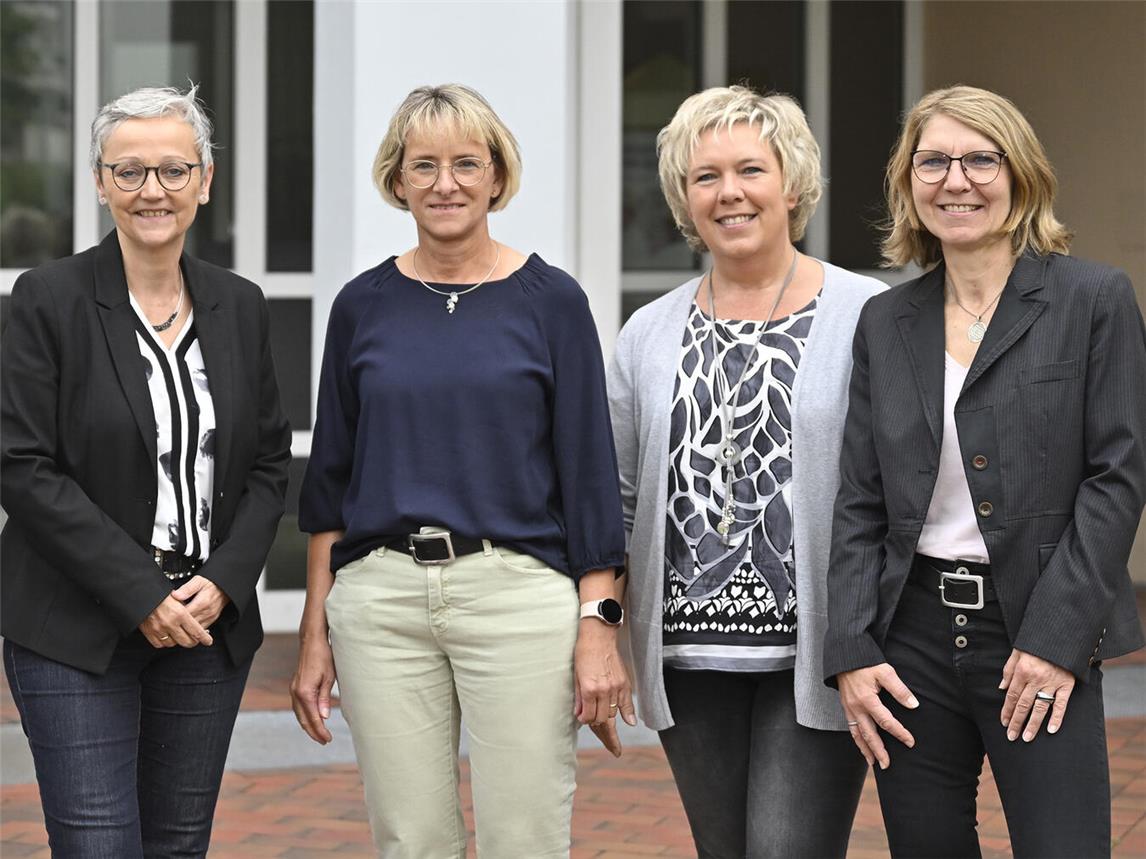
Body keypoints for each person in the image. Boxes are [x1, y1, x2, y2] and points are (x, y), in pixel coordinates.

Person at [289, 83, 630, 857]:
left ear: (497, 178)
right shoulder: (360, 307)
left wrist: (598, 627)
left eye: (466, 164)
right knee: (411, 840)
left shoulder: (553, 302)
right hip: (381, 602)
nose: (445, 183)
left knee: (526, 838)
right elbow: (331, 487)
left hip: (516, 597)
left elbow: (589, 479)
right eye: (424, 165)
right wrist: (315, 633)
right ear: (397, 179)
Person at [824, 84, 1146, 858]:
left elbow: (1118, 476)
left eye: (979, 159)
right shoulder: (886, 320)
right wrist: (852, 650)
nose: (956, 180)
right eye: (932, 161)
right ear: (909, 183)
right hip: (912, 638)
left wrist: (1055, 638)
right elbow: (859, 498)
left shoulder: (1091, 299)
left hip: (1037, 625)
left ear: (1020, 174)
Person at [1, 84, 292, 858]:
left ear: (205, 180)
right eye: (128, 172)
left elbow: (267, 462)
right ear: (100, 183)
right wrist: (139, 592)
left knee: (177, 843)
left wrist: (226, 579)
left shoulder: (241, 304)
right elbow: (23, 466)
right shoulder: (46, 300)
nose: (151, 191)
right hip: (73, 625)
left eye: (172, 170)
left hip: (204, 625)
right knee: (98, 844)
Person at [607, 85, 883, 858]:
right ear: (683, 200)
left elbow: (897, 487)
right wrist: (600, 632)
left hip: (820, 655)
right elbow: (623, 499)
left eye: (751, 170)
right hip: (689, 657)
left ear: (791, 184)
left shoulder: (868, 314)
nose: (729, 193)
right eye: (705, 177)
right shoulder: (647, 332)